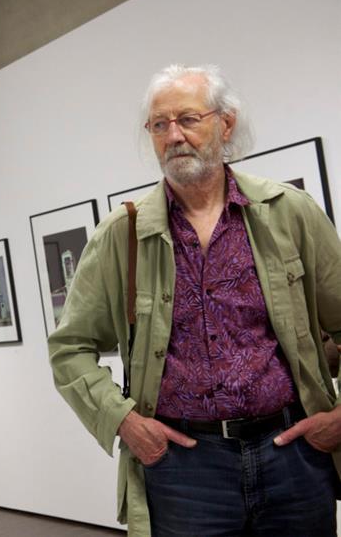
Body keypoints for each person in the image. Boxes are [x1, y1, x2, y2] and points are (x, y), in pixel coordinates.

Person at [48, 64, 341, 536]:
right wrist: (124, 422)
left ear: (225, 124)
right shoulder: (121, 234)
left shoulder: (289, 213)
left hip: (293, 454)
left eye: (188, 119)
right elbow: (69, 349)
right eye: (159, 125)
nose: (174, 135)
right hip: (184, 471)